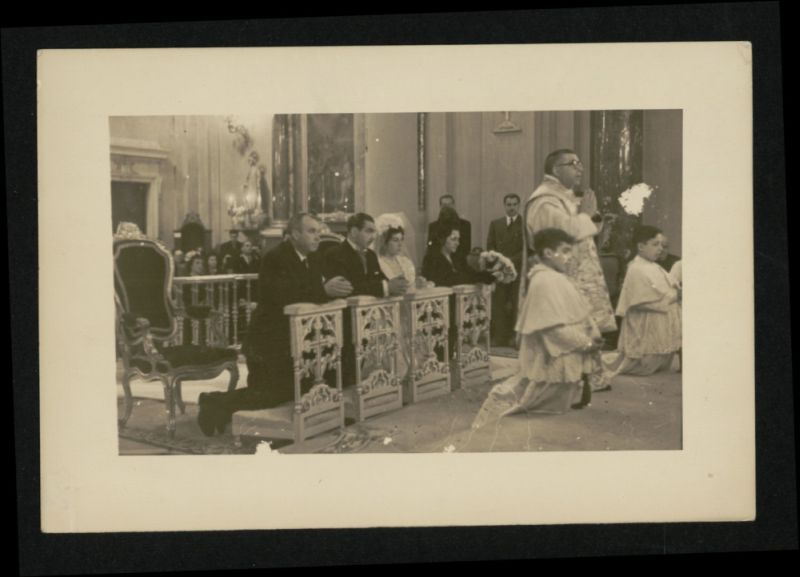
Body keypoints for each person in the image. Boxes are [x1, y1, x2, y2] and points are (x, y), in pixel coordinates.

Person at [196, 213, 352, 436]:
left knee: (295, 390)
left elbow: (314, 292)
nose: (318, 237)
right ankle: (212, 403)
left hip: (298, 339)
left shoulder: (316, 258)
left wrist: (335, 291)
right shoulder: (275, 258)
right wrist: (324, 290)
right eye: (311, 231)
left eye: (319, 231)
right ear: (295, 234)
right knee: (269, 395)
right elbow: (282, 295)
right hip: (267, 343)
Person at [472, 229, 603, 428]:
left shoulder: (557, 278)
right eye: (565, 251)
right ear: (548, 253)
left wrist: (592, 333)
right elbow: (552, 330)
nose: (570, 257)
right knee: (523, 407)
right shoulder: (544, 281)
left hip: (566, 356)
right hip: (549, 359)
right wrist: (586, 343)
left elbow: (578, 313)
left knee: (544, 410)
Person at [522, 148, 616, 391]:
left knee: (583, 326)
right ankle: (565, 381)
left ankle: (589, 377)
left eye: (580, 163)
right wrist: (585, 214)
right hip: (559, 278)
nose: (580, 168)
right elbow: (557, 237)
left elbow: (580, 230)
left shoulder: (563, 196)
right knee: (564, 329)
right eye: (573, 164)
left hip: (576, 274)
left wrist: (591, 215)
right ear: (555, 169)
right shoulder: (544, 200)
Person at [606, 225, 681, 376]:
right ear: (641, 246)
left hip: (659, 318)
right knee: (640, 363)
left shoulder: (652, 266)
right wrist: (674, 296)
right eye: (655, 244)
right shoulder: (636, 268)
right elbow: (642, 298)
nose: (660, 248)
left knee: (657, 360)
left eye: (661, 245)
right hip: (645, 318)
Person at [486, 193, 523, 347]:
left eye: (514, 204)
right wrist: (500, 263)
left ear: (518, 206)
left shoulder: (524, 224)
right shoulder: (496, 224)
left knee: (516, 304)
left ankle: (515, 338)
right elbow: (490, 246)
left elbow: (526, 249)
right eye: (508, 204)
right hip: (500, 271)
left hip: (518, 270)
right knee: (499, 304)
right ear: (504, 206)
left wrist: (511, 262)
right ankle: (499, 337)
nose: (511, 207)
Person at [427, 194, 472, 263]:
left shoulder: (465, 225)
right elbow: (430, 247)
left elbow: (466, 248)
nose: (447, 207)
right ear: (440, 206)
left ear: (454, 206)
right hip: (439, 262)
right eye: (444, 205)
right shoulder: (433, 226)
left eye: (449, 204)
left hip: (460, 261)